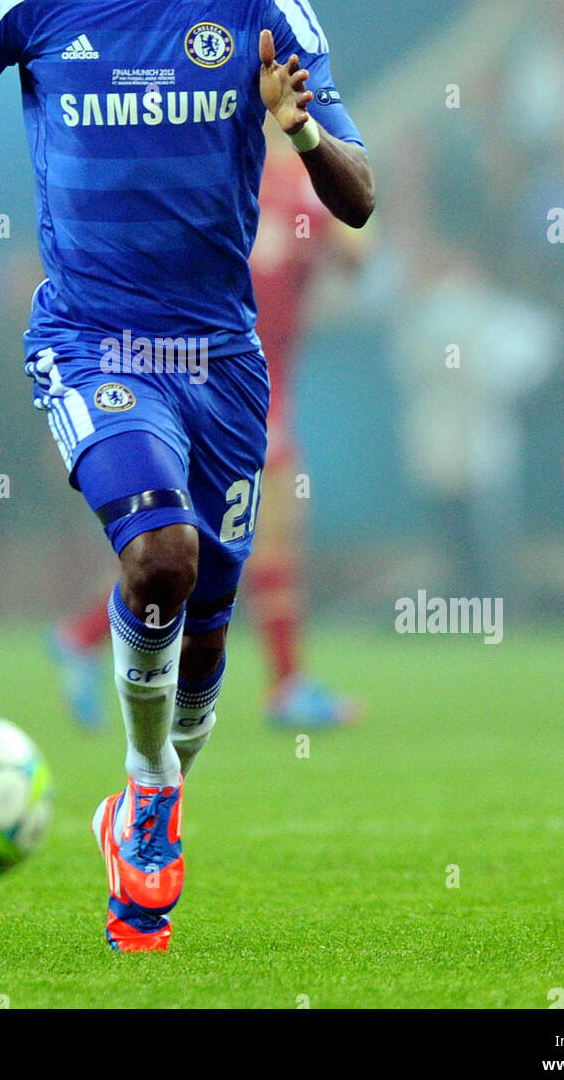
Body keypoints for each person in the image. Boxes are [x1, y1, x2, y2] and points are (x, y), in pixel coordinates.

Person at [0, 0, 374, 952]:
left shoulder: (265, 9)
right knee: (155, 556)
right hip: (90, 340)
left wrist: (298, 128)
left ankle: (152, 788)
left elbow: (357, 200)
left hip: (220, 357)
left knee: (204, 627)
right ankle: (147, 794)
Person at [48, 114, 366, 729]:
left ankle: (82, 638)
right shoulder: (294, 182)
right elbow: (358, 252)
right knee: (241, 538)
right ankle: (284, 685)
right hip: (233, 384)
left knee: (222, 543)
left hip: (219, 378)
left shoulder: (214, 175)